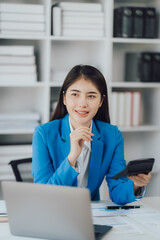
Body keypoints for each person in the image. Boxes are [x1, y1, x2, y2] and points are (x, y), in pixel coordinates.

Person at [32, 64, 151, 205]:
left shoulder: (112, 135)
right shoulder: (43, 134)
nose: (82, 103)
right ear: (64, 98)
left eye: (91, 96)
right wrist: (72, 158)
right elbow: (45, 196)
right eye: (75, 94)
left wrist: (136, 185)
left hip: (91, 215)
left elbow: (117, 192)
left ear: (101, 101)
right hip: (54, 213)